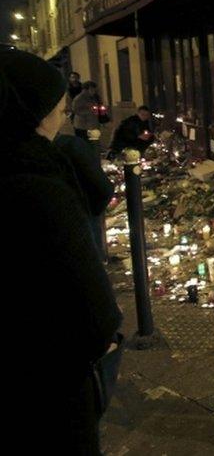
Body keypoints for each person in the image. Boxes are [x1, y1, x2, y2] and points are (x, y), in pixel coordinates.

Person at [0, 49, 122, 453]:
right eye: (57, 107)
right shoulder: (38, 184)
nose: (63, 115)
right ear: (33, 113)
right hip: (48, 382)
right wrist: (105, 340)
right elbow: (92, 309)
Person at [55, 130, 115, 261]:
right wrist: (93, 211)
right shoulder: (70, 146)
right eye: (61, 112)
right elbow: (102, 188)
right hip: (80, 222)